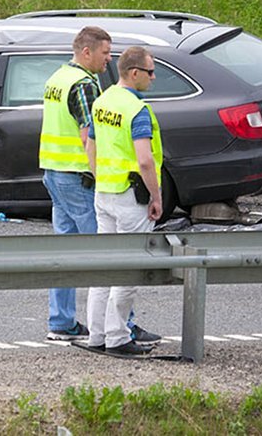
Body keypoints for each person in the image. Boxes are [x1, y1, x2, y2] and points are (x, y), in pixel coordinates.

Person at [84, 45, 164, 356]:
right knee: (129, 269)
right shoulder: (136, 109)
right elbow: (145, 160)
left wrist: (100, 178)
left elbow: (90, 146)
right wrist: (156, 196)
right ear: (134, 73)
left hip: (104, 193)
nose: (153, 78)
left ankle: (97, 335)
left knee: (104, 266)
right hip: (131, 197)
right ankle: (117, 338)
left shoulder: (102, 101)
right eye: (150, 72)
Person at [39, 26, 111, 341]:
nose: (109, 59)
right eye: (105, 53)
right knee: (105, 253)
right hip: (78, 176)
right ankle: (116, 325)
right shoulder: (83, 85)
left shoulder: (57, 78)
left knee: (64, 252)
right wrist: (102, 176)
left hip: (54, 172)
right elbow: (88, 137)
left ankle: (61, 322)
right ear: (86, 52)